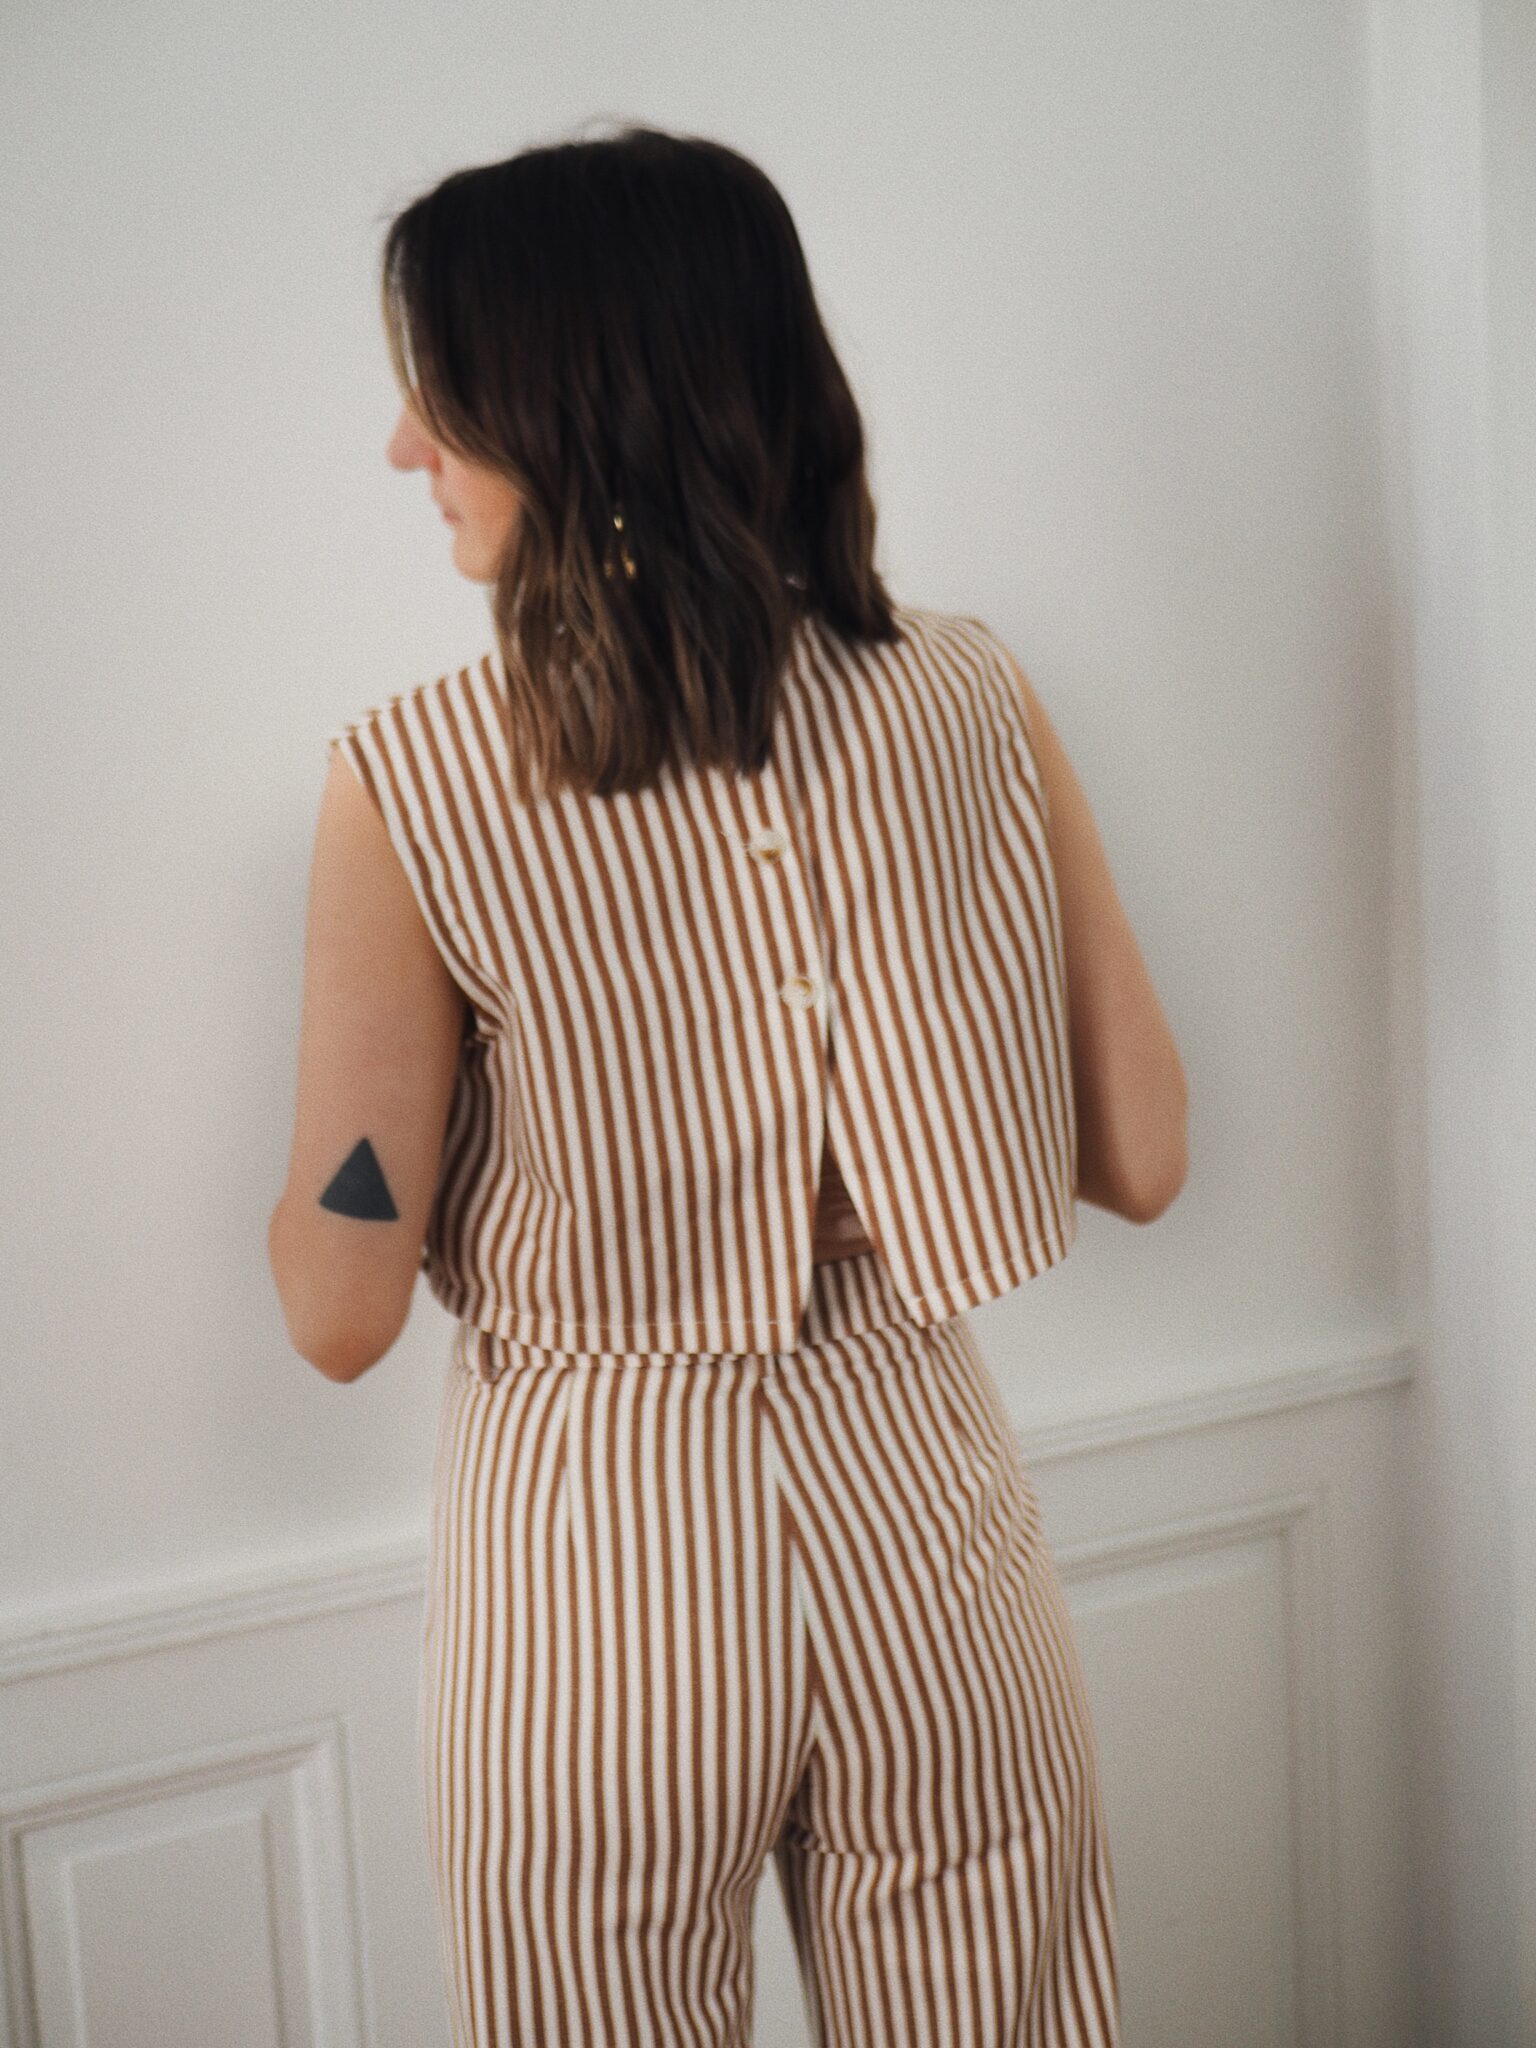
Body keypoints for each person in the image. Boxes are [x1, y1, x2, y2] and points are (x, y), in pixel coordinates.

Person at [270, 120, 1186, 2048]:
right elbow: (1145, 1150)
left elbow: (340, 1312)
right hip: (927, 1515)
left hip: (597, 1559)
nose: (406, 447)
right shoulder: (970, 691)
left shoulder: (414, 780)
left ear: (571, 408)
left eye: (442, 393)